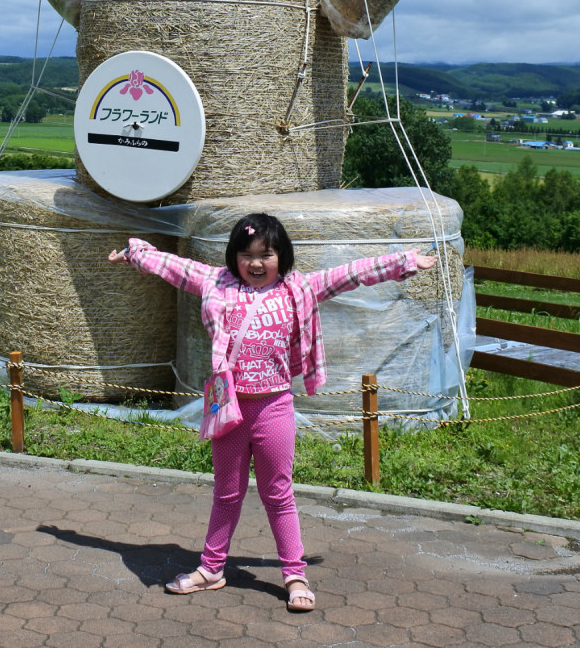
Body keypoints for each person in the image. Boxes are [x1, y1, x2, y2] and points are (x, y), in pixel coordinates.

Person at [110, 212, 437, 612]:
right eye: (246, 255)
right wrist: (135, 253)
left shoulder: (299, 288)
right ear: (234, 258)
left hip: (274, 406)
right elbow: (175, 268)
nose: (256, 263)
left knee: (278, 494)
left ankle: (294, 574)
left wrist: (403, 262)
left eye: (266, 254)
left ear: (282, 256)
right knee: (226, 493)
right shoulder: (217, 283)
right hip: (227, 405)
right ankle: (211, 568)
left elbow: (349, 274)